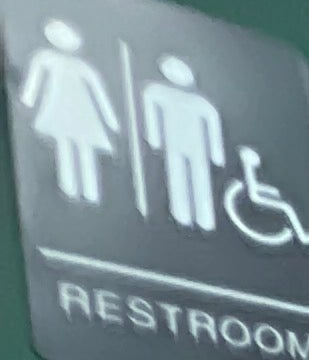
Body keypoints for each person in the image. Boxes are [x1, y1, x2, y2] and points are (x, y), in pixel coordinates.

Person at [18, 21, 121, 206]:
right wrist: (27, 99)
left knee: (85, 149)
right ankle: (69, 188)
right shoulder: (45, 58)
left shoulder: (84, 68)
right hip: (59, 109)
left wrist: (111, 120)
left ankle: (89, 190)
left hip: (84, 114)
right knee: (65, 145)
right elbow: (34, 81)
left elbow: (99, 94)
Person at [140, 55, 225, 231]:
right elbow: (150, 107)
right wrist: (154, 139)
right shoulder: (160, 92)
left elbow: (213, 125)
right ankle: (181, 215)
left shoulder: (200, 103)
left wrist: (217, 154)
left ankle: (204, 218)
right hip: (174, 143)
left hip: (198, 147)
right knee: (177, 175)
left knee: (200, 178)